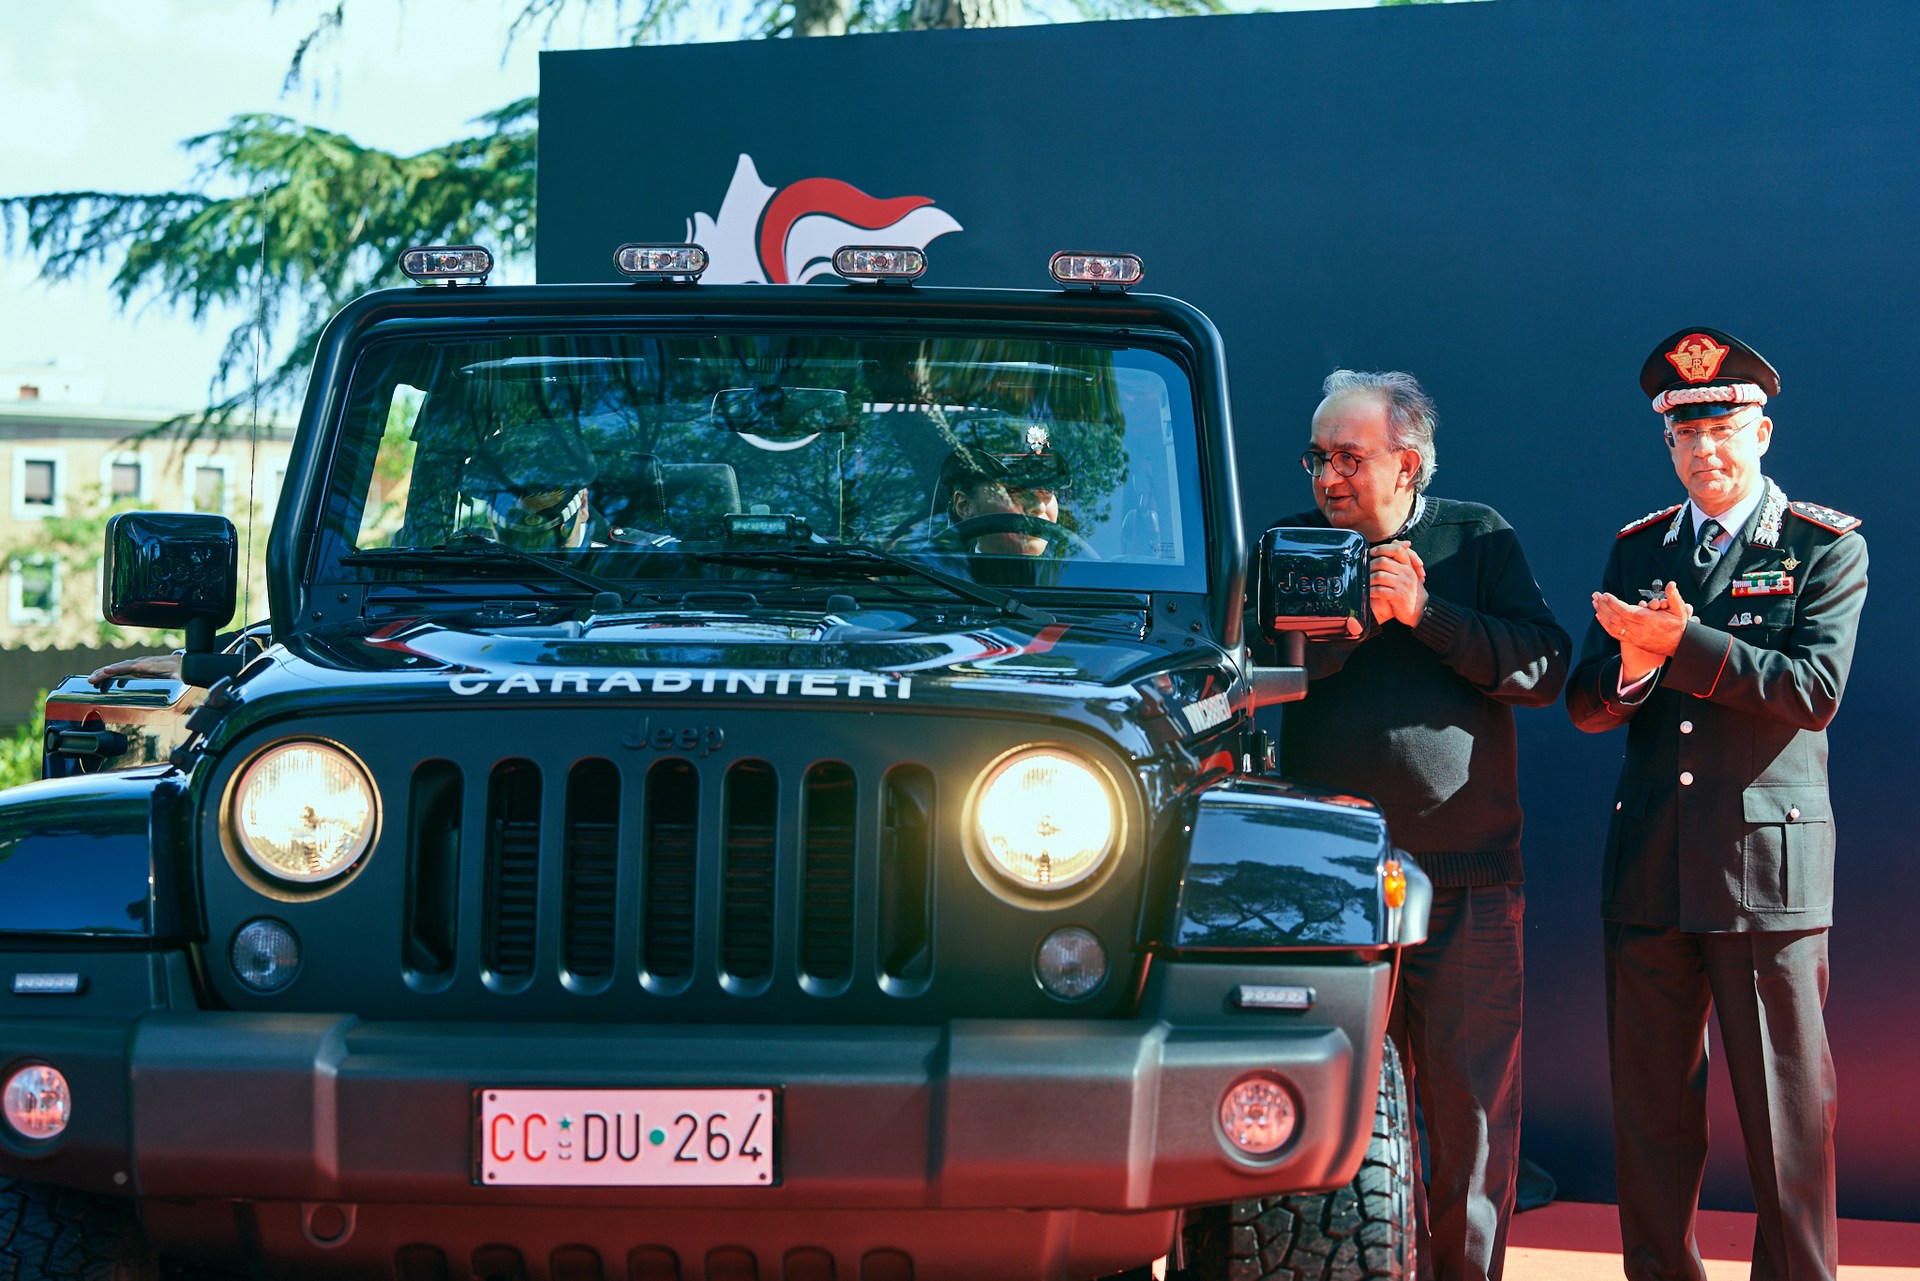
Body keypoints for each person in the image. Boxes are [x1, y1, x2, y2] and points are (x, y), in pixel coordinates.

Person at [1567, 330, 1867, 1281]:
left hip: (1764, 877)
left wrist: (1685, 644)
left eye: (1724, 429)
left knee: (1787, 1119)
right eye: (1685, 435)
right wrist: (1631, 666)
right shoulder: (1639, 546)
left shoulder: (1824, 546)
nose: (1705, 451)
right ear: (1668, 444)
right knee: (1651, 1118)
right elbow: (1584, 704)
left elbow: (1814, 689)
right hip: (1652, 869)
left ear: (1763, 432)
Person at [1265, 368, 1569, 1281]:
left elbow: (1543, 667)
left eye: (1349, 457)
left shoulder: (1474, 536)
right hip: (1323, 886)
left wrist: (1427, 614)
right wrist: (1340, 627)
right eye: (1318, 457)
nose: (1328, 477)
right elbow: (1238, 675)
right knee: (1319, 1111)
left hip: (1466, 880)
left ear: (1408, 461)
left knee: (1470, 1119)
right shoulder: (1285, 546)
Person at [936, 435, 1072, 557]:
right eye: (1014, 489)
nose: (1039, 506)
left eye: (1047, 489)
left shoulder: (1084, 577)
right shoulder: (935, 579)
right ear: (965, 506)